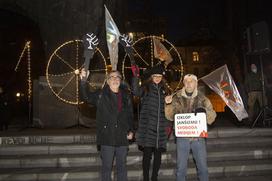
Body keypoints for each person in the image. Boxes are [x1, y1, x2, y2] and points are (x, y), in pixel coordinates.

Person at [80, 69, 134, 181]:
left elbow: (129, 115)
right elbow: (86, 97)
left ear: (121, 80)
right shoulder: (100, 94)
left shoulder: (126, 96)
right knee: (106, 168)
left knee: (122, 168)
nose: (115, 79)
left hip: (122, 136)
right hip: (107, 136)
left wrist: (131, 130)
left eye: (117, 77)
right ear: (108, 81)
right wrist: (83, 80)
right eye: (112, 77)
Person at [164, 74, 216, 181]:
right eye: (186, 81)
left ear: (196, 83)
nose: (188, 83)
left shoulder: (203, 98)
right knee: (181, 170)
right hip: (182, 139)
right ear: (183, 83)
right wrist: (168, 104)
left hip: (199, 139)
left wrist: (205, 113)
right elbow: (169, 116)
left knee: (203, 169)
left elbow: (212, 117)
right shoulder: (176, 97)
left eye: (191, 81)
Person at [131, 63, 171, 181]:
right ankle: (146, 178)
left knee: (158, 156)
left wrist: (169, 103)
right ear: (151, 77)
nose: (157, 78)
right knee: (147, 156)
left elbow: (169, 111)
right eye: (155, 76)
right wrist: (135, 77)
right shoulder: (146, 88)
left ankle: (154, 177)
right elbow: (135, 92)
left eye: (159, 76)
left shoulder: (166, 90)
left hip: (160, 129)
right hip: (148, 129)